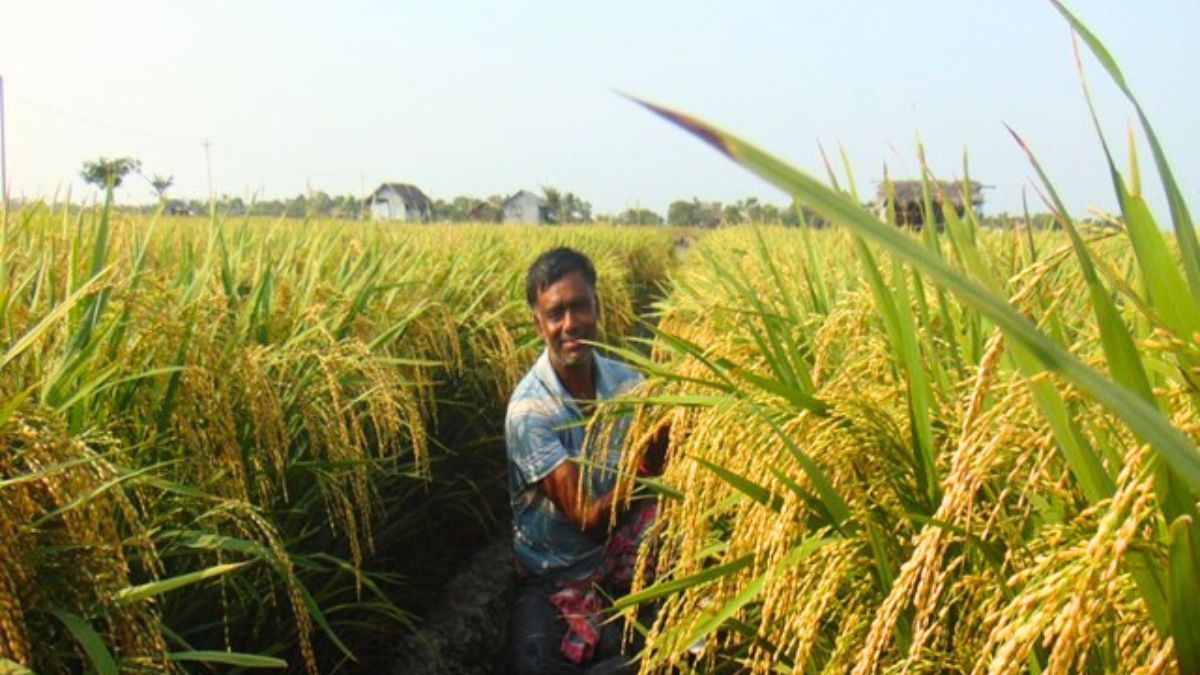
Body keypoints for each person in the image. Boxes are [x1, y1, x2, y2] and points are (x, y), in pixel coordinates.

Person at [505, 247, 666, 675]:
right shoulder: (530, 414)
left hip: (627, 564)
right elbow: (589, 522)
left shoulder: (631, 386)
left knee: (684, 646)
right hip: (555, 579)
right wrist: (648, 464)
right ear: (538, 323)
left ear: (598, 307)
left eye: (580, 306)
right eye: (555, 313)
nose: (570, 323)